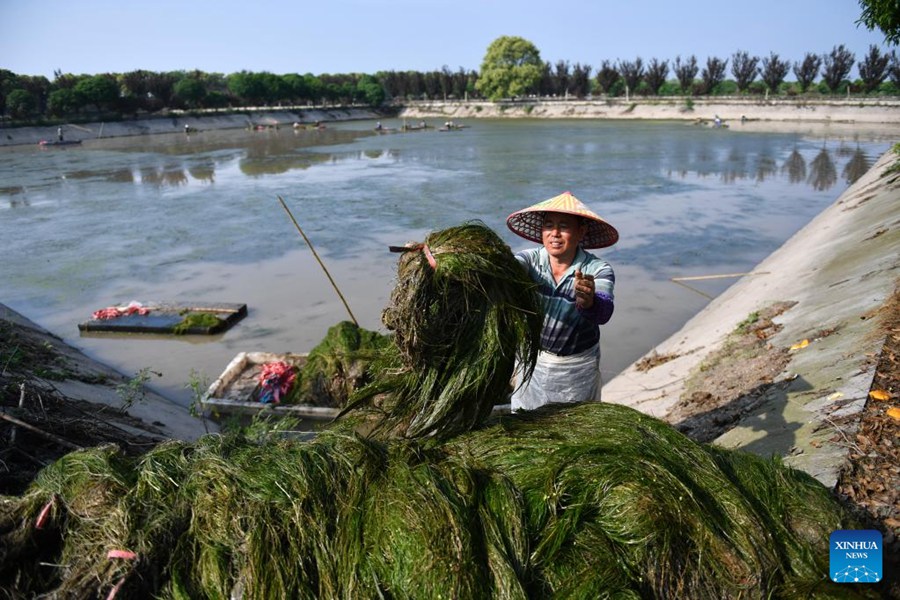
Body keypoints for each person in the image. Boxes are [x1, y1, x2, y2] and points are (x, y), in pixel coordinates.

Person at [505, 190, 618, 411]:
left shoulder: (597, 270)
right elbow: (508, 269)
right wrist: (499, 260)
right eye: (549, 225)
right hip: (533, 362)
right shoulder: (530, 260)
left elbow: (604, 313)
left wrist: (589, 302)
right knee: (525, 423)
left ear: (580, 232)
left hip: (577, 367)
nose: (554, 233)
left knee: (574, 430)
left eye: (564, 226)